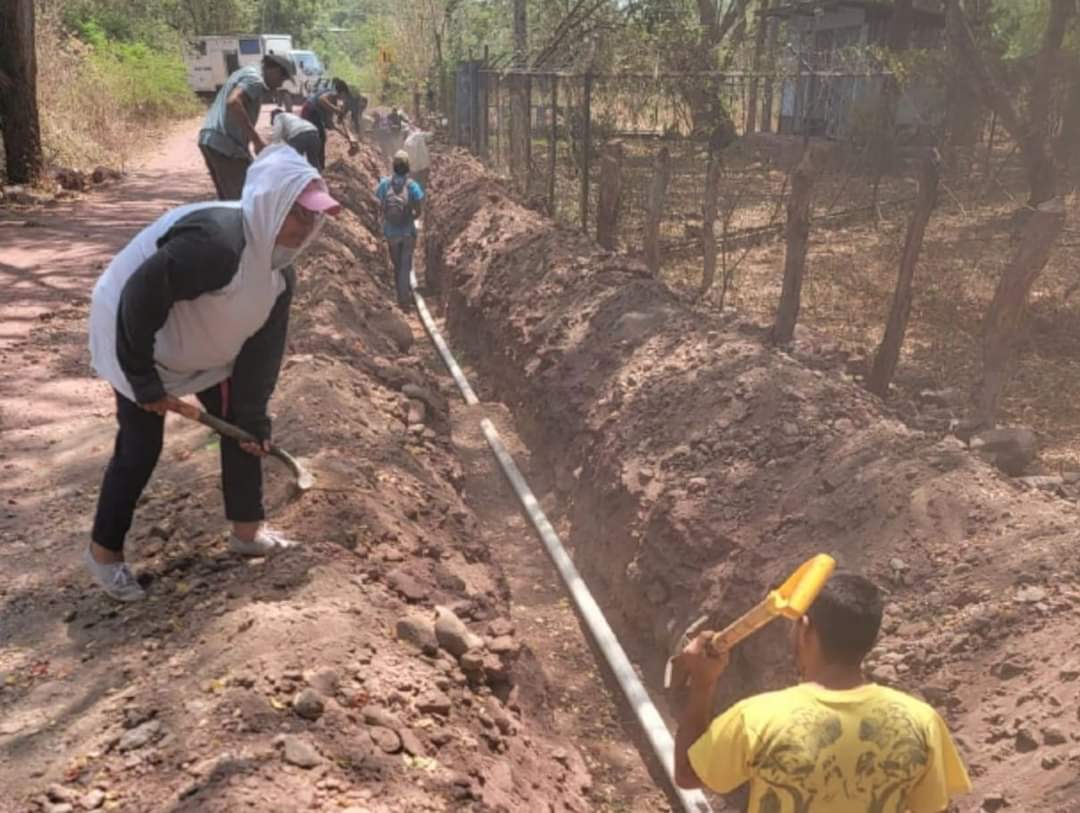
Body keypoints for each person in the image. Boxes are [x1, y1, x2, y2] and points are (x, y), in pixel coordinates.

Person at [86, 146, 341, 602]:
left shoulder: (280, 275)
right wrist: (143, 379)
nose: (308, 228)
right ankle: (105, 557)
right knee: (140, 447)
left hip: (203, 349)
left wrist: (254, 418)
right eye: (299, 215)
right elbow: (139, 296)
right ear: (271, 204)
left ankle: (247, 533)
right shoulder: (217, 243)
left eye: (314, 218)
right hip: (133, 336)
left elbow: (262, 356)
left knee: (242, 429)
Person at [674, 572, 971, 813]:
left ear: (805, 629)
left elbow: (688, 775)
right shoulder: (921, 723)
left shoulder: (758, 717)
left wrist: (703, 684)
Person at [198, 54, 294, 200]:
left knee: (228, 198)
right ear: (274, 69)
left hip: (210, 139)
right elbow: (233, 102)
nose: (281, 83)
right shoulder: (255, 80)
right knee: (242, 200)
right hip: (224, 144)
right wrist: (255, 140)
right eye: (282, 78)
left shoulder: (246, 71)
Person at [375, 150, 424, 310]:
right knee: (405, 266)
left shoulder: (384, 184)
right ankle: (404, 300)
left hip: (391, 233)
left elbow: (378, 205)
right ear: (408, 167)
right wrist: (411, 217)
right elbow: (419, 211)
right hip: (408, 232)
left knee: (397, 265)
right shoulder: (412, 186)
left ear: (393, 166)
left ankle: (400, 295)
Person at [300, 78, 359, 169]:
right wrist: (336, 110)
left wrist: (348, 137)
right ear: (342, 92)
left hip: (312, 114)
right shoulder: (333, 93)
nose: (344, 99)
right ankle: (318, 167)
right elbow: (321, 99)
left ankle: (319, 167)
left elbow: (330, 123)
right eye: (345, 96)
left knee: (321, 138)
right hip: (310, 111)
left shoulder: (333, 100)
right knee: (319, 138)